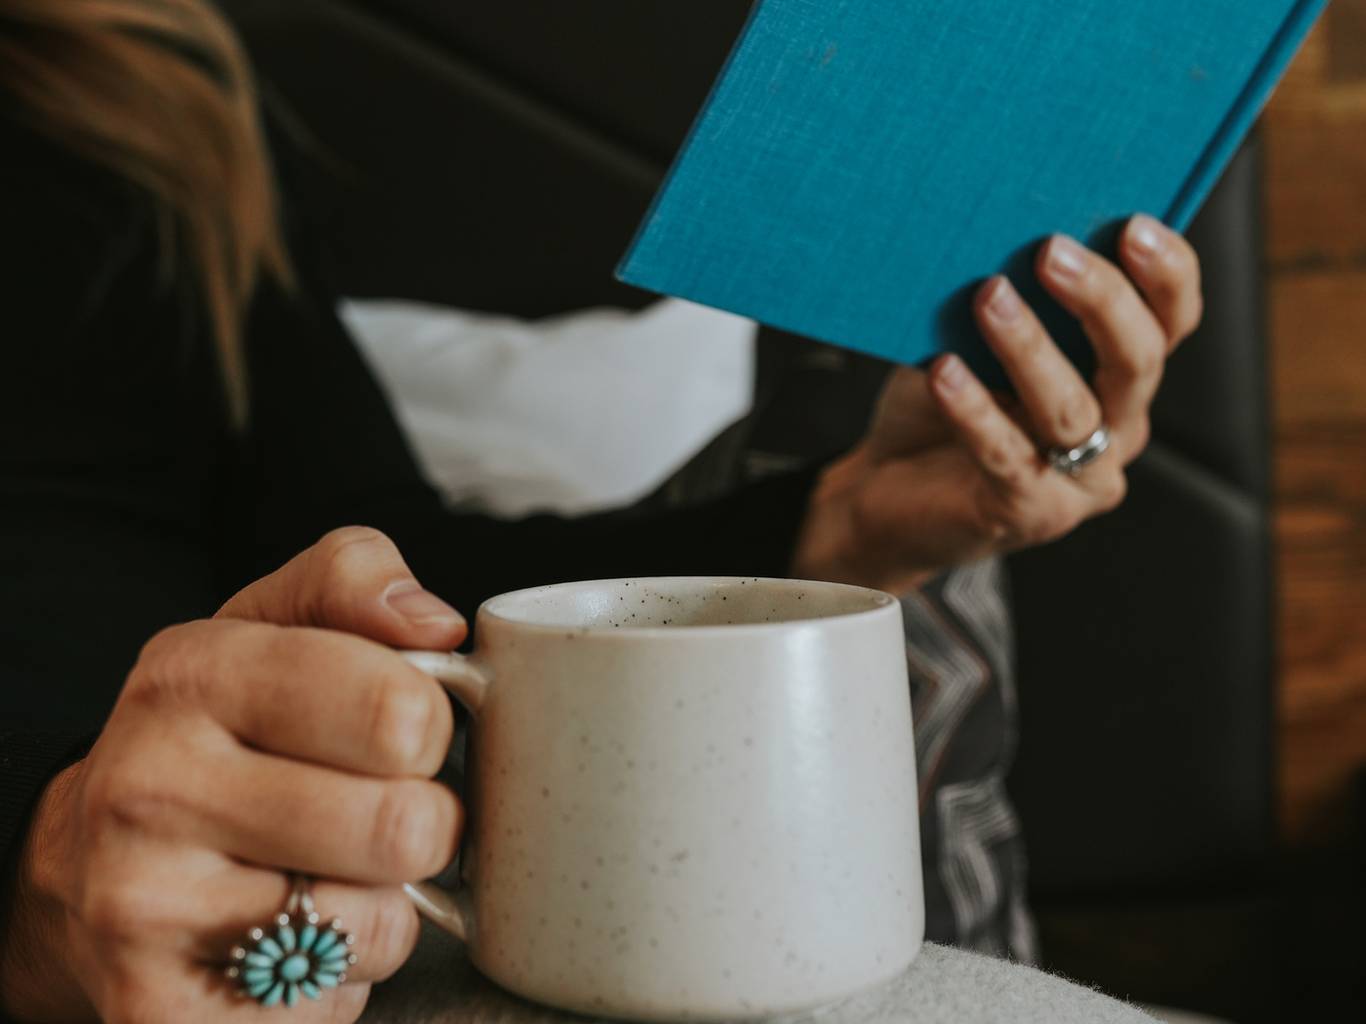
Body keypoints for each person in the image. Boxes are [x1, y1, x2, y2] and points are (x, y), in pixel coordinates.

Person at [0, 1, 1204, 1021]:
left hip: (269, 897)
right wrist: (33, 871)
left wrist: (840, 527)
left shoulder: (148, 85)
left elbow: (373, 554)